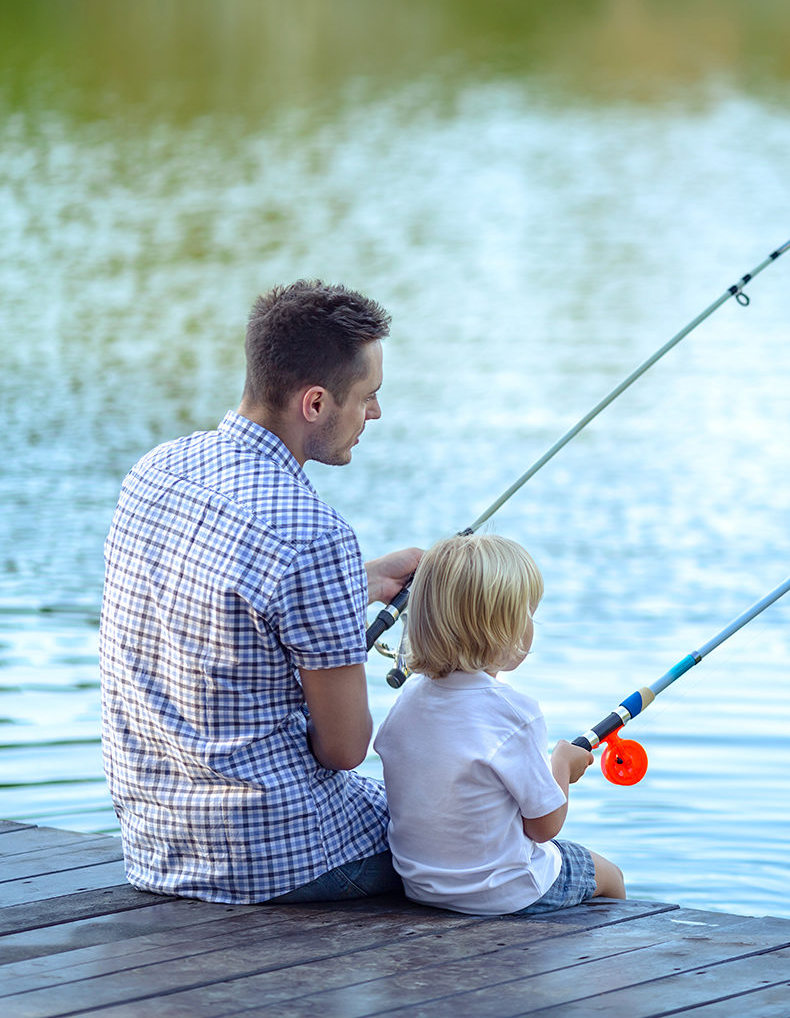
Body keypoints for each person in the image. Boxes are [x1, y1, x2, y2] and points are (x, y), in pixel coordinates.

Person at [100, 279, 420, 904]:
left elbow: (219, 604)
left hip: (155, 844)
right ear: (316, 403)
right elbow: (344, 749)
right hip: (273, 855)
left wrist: (365, 580)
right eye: (369, 397)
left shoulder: (156, 470)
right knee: (496, 840)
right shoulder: (313, 535)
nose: (375, 415)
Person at [374, 534, 625, 916]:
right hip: (507, 891)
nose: (531, 625)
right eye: (527, 613)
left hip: (421, 885)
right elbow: (544, 827)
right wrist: (562, 763)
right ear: (499, 629)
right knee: (610, 875)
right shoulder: (514, 713)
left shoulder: (409, 698)